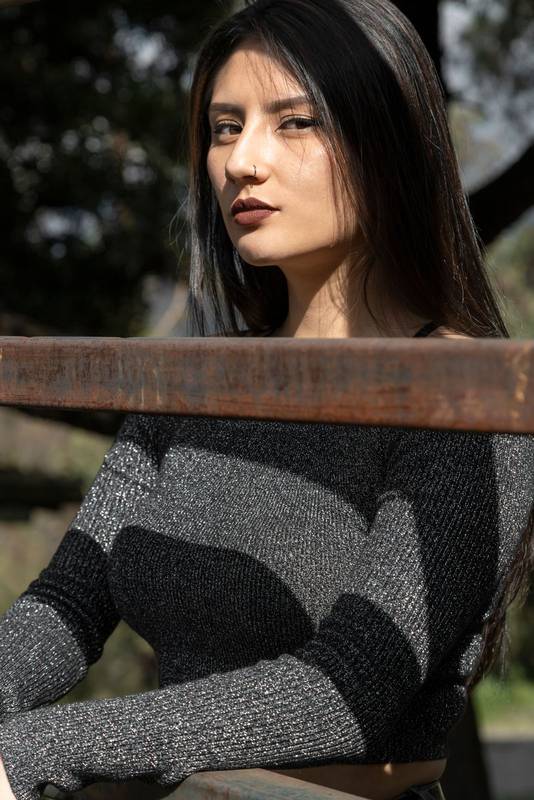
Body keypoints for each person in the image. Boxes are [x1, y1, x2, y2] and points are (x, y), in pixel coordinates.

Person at [1, 1, 533, 799]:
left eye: (294, 122)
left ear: (386, 141)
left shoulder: (467, 408)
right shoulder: (194, 382)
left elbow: (352, 688)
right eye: (224, 127)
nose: (242, 161)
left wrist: (37, 749)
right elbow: (72, 600)